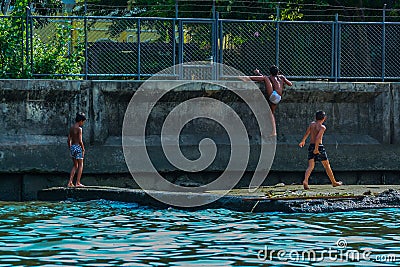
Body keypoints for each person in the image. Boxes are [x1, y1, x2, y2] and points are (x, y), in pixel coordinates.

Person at [298, 111, 342, 190]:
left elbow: (307, 132)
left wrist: (303, 140)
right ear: (324, 118)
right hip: (319, 147)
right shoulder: (322, 127)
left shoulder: (312, 124)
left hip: (311, 146)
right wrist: (316, 149)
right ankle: (334, 182)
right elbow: (318, 138)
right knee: (327, 165)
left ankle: (305, 181)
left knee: (311, 166)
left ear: (315, 117)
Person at [67, 112, 86, 187]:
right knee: (80, 165)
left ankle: (70, 182)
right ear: (81, 121)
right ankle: (77, 182)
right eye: (83, 122)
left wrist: (70, 148)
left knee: (75, 165)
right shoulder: (79, 129)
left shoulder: (72, 128)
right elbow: (80, 141)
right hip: (78, 147)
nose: (83, 123)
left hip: (72, 147)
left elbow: (68, 140)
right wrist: (83, 149)